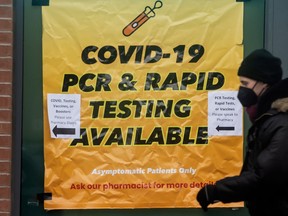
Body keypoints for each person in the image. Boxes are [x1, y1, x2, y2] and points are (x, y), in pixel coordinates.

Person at [196, 49, 288, 216]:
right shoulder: (268, 119)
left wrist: (217, 191)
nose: (242, 90)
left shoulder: (282, 123)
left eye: (245, 83)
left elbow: (264, 177)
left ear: (264, 83)